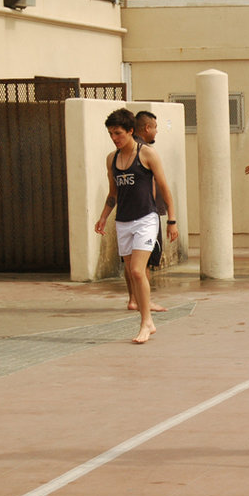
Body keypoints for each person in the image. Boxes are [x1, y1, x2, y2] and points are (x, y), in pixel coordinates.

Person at [95, 108, 179, 344]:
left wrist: (172, 221)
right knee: (132, 274)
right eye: (111, 134)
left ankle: (146, 322)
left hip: (146, 218)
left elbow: (164, 188)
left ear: (131, 131)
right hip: (123, 221)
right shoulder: (111, 159)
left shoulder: (147, 154)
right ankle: (146, 319)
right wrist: (103, 217)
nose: (114, 138)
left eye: (118, 133)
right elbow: (113, 194)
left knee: (137, 271)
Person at [121, 110, 167, 312]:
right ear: (147, 128)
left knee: (131, 262)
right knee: (143, 263)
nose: (156, 131)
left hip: (127, 214)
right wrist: (169, 217)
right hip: (145, 214)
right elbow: (157, 185)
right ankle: (143, 302)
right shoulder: (145, 151)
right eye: (155, 127)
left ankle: (133, 299)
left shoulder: (126, 152)